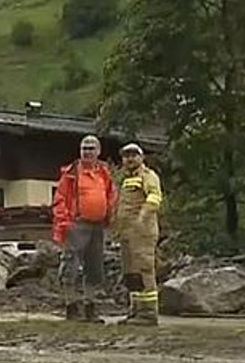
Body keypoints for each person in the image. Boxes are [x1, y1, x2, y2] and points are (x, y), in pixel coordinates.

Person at [51, 135, 117, 323]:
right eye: (84, 148)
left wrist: (111, 215)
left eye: (91, 148)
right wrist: (64, 222)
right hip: (76, 224)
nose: (87, 152)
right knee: (70, 265)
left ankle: (90, 306)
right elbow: (60, 199)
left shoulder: (104, 173)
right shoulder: (71, 174)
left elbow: (111, 194)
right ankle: (71, 305)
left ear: (98, 151)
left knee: (94, 267)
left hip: (98, 226)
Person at [113, 142, 163, 325]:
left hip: (143, 232)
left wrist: (143, 215)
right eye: (126, 156)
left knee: (144, 270)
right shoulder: (125, 180)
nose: (130, 159)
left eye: (133, 155)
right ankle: (135, 311)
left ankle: (149, 313)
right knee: (131, 273)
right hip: (127, 233)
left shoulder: (148, 176)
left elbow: (155, 197)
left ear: (141, 157)